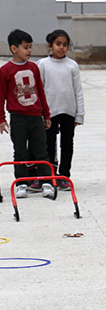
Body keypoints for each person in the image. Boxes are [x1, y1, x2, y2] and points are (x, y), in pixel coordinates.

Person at [0, 29, 55, 199]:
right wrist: (1, 118)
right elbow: (0, 96)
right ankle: (22, 183)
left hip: (35, 117)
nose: (29, 51)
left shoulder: (34, 68)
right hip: (18, 118)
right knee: (20, 151)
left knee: (41, 150)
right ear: (14, 48)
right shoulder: (5, 71)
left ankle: (46, 182)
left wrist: (46, 114)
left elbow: (40, 92)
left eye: (30, 47)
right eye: (25, 47)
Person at [36, 29, 85, 192]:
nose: (61, 48)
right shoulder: (42, 64)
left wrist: (79, 114)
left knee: (67, 144)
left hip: (69, 112)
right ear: (50, 45)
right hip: (49, 113)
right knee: (49, 144)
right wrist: (41, 113)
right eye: (58, 44)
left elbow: (78, 90)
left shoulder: (72, 65)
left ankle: (64, 176)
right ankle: (50, 175)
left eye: (65, 45)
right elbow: (39, 89)